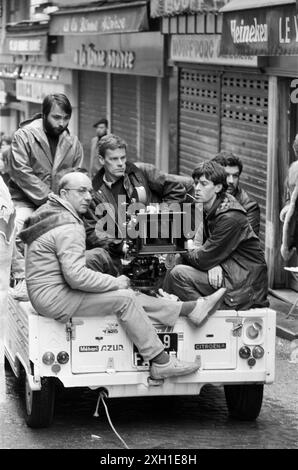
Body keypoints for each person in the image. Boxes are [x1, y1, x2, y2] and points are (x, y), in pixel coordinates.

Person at [20, 171, 226, 380]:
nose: (89, 197)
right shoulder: (68, 226)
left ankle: (190, 309)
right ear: (64, 193)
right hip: (54, 298)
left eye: (90, 191)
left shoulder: (50, 211)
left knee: (126, 295)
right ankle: (160, 361)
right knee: (125, 299)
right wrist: (115, 282)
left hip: (47, 293)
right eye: (81, 191)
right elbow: (76, 277)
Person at [7, 93, 84, 300]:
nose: (62, 123)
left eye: (66, 118)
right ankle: (22, 277)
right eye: (56, 117)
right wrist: (49, 198)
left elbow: (75, 175)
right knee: (17, 225)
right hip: (25, 199)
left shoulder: (73, 143)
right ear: (44, 115)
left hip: (58, 203)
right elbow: (21, 172)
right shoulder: (24, 136)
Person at [164, 161, 269, 310]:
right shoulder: (213, 208)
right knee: (174, 263)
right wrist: (211, 261)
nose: (197, 189)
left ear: (218, 187)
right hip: (230, 276)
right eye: (196, 183)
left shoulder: (230, 217)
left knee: (178, 274)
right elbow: (205, 253)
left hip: (244, 288)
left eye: (204, 184)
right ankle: (170, 310)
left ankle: (206, 311)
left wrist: (189, 248)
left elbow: (201, 259)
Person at [83, 133, 187, 274]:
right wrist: (120, 246)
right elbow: (92, 232)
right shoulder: (93, 191)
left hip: (154, 248)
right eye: (114, 159)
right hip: (119, 257)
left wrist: (160, 211)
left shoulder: (141, 172)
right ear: (101, 160)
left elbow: (176, 189)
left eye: (123, 157)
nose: (120, 163)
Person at [211, 151, 260, 236]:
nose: (231, 181)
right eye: (226, 175)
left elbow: (247, 243)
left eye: (235, 176)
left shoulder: (249, 206)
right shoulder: (207, 196)